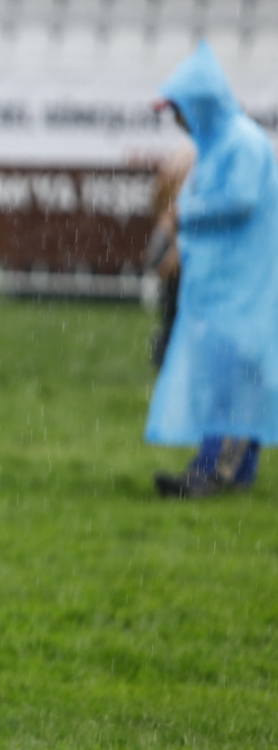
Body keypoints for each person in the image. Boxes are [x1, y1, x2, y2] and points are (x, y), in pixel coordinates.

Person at [147, 42, 278, 498]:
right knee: (236, 379)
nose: (176, 121)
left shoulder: (240, 143)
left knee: (231, 381)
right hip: (230, 285)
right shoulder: (222, 143)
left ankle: (210, 473)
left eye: (178, 110)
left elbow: (239, 202)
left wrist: (186, 215)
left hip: (244, 288)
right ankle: (235, 472)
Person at [145, 146, 195, 371]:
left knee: (173, 308)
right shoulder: (192, 157)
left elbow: (158, 200)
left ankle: (167, 352)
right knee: (175, 308)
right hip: (183, 237)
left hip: (175, 234)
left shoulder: (182, 154)